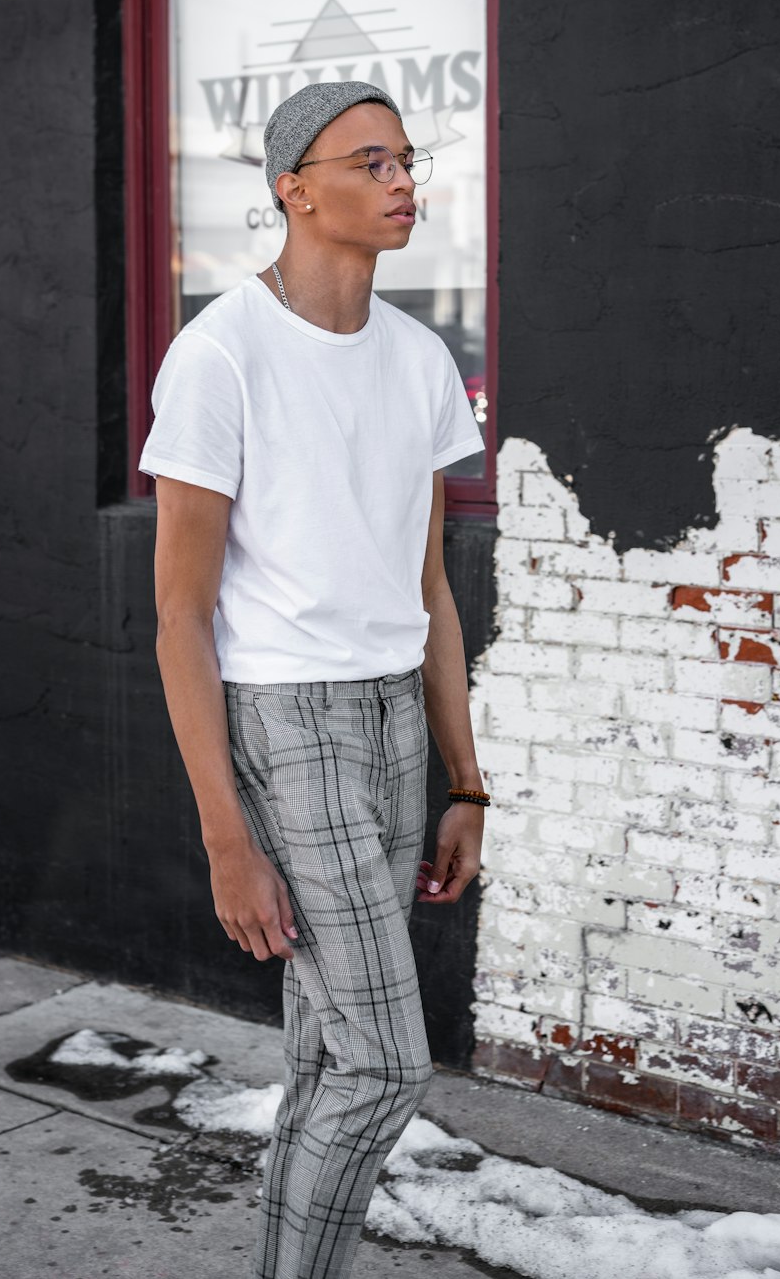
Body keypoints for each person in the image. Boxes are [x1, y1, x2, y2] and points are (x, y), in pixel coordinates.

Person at [139, 80, 490, 1279]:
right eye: (371, 162)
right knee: (390, 1064)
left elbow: (431, 590)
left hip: (397, 720)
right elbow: (180, 619)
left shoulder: (418, 359)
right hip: (287, 728)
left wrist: (467, 783)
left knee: (336, 1058)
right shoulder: (219, 356)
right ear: (296, 188)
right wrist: (225, 841)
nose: (405, 182)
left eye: (408, 159)